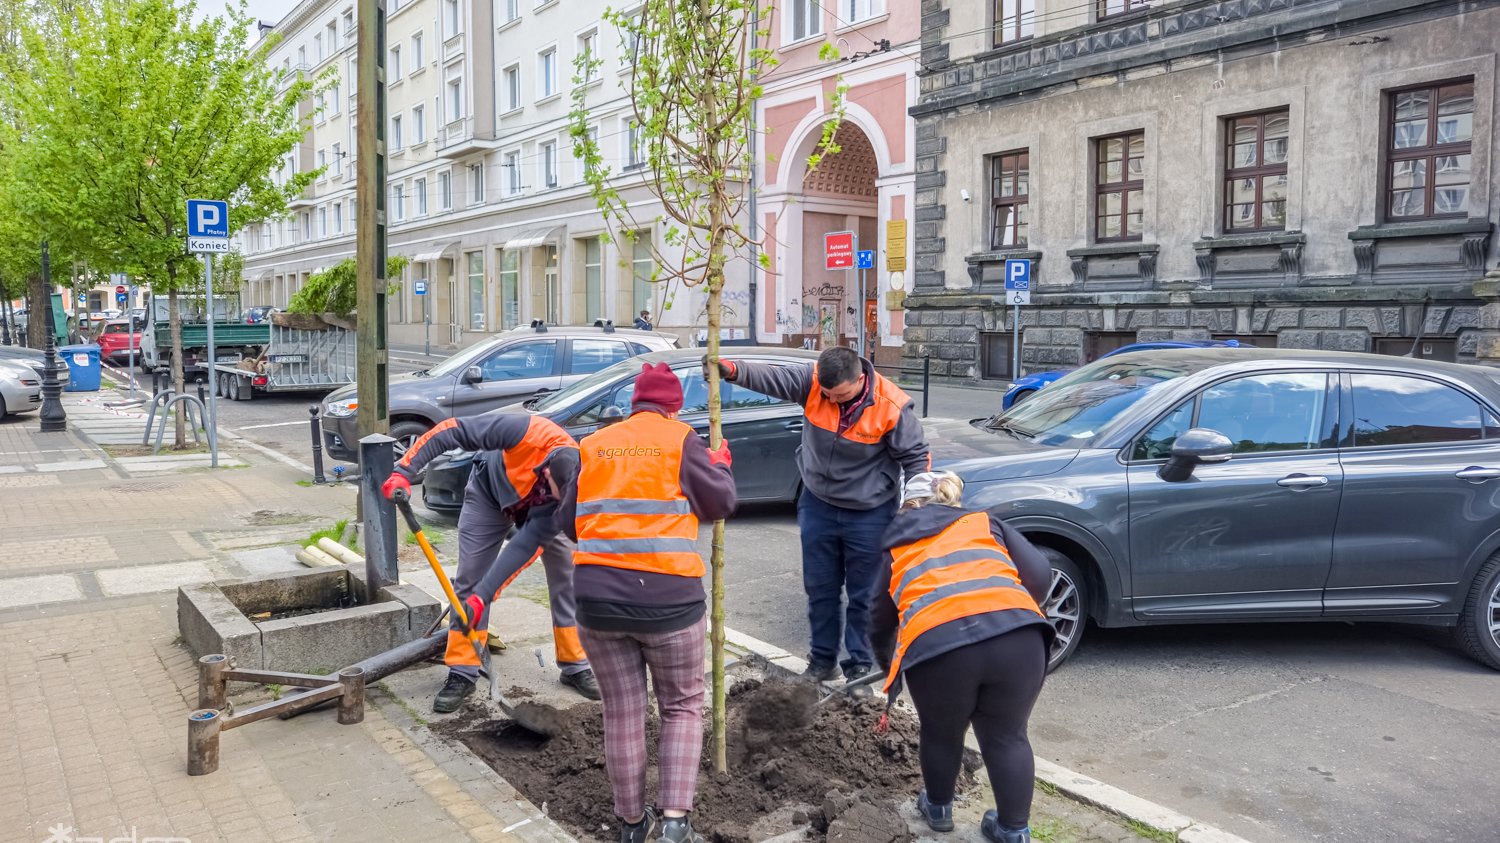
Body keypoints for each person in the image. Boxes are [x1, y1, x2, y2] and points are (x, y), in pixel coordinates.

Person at [562, 362, 736, 843]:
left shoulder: (594, 445)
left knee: (622, 711)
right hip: (669, 602)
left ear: (635, 402)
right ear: (675, 404)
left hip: (597, 602)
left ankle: (631, 824)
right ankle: (675, 824)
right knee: (682, 707)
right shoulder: (682, 440)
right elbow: (719, 503)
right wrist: (720, 466)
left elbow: (568, 523)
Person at [707, 345, 929, 681]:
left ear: (860, 380)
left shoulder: (891, 406)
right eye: (826, 393)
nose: (831, 400)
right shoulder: (813, 383)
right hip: (818, 505)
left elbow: (916, 458)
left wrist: (915, 508)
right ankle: (822, 662)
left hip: (870, 512)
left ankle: (859, 668)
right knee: (820, 588)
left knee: (865, 594)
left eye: (839, 395)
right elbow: (773, 377)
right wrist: (732, 369)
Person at [870, 472, 1054, 843]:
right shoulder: (984, 522)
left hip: (938, 649)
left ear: (907, 506)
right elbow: (1041, 576)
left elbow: (878, 618)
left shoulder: (896, 545)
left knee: (941, 732)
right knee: (1007, 736)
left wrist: (886, 659)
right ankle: (1013, 831)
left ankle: (938, 809)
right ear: (951, 500)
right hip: (1019, 639)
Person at [380, 414, 600, 712]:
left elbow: (523, 548)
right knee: (470, 578)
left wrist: (486, 595)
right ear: (546, 472)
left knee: (568, 578)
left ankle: (575, 664)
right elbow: (452, 430)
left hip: (539, 515)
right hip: (489, 496)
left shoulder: (576, 479)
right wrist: (405, 470)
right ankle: (463, 670)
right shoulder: (522, 431)